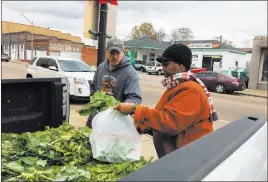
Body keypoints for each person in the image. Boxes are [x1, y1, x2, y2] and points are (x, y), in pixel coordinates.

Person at [114, 43, 219, 158]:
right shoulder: (177, 86)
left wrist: (135, 109)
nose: (163, 68)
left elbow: (171, 123)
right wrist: (142, 127)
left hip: (187, 160)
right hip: (177, 157)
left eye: (166, 64)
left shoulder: (191, 90)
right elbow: (161, 117)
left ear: (181, 65)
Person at [86, 38, 142, 128]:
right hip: (98, 121)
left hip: (116, 124)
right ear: (106, 52)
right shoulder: (101, 67)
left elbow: (135, 99)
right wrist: (91, 118)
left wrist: (123, 106)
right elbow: (93, 89)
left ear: (123, 52)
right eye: (112, 53)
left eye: (118, 53)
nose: (115, 56)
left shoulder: (130, 73)